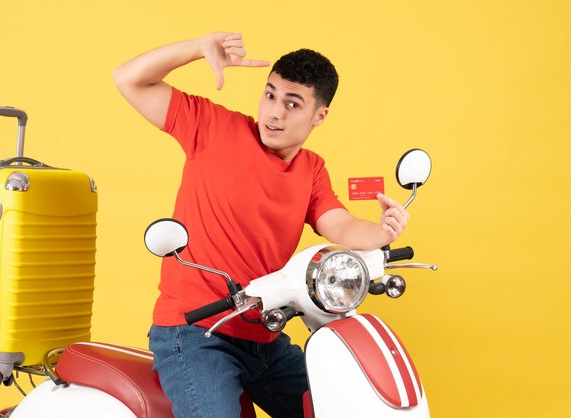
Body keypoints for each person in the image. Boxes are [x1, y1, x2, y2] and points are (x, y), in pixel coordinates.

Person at [113, 32, 409, 418]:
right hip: (194, 334)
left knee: (339, 406)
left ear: (319, 115)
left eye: (292, 104)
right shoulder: (213, 127)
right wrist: (197, 49)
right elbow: (129, 79)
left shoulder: (311, 169)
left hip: (263, 337)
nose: (274, 113)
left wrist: (381, 232)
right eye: (269, 95)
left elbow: (339, 223)